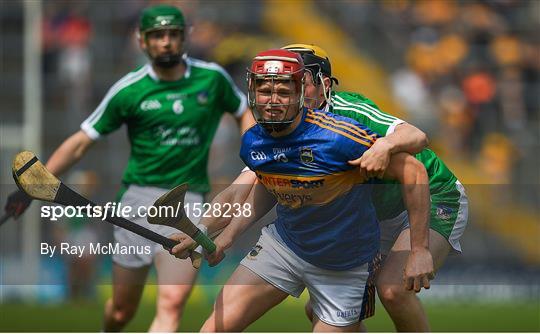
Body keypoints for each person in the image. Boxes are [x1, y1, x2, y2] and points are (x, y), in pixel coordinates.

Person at [4, 4, 251, 332]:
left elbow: (243, 111)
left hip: (187, 200)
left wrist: (254, 150)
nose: (166, 42)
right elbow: (81, 142)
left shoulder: (212, 78)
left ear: (185, 37)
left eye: (173, 35)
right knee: (121, 310)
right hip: (136, 202)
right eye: (158, 35)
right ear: (142, 40)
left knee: (171, 304)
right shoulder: (129, 89)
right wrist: (33, 185)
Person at [195, 44, 469, 331]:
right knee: (318, 310)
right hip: (373, 216)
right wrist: (211, 233)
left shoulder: (348, 115)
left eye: (294, 83)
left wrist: (385, 146)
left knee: (393, 289)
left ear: (322, 85)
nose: (279, 94)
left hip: (432, 193)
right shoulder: (277, 127)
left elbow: (416, 140)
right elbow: (251, 190)